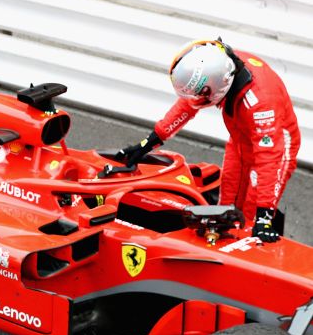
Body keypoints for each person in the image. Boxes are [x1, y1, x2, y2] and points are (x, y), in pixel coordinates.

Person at [116, 39, 300, 242]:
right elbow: (187, 106)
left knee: (251, 217)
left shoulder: (260, 104)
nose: (196, 99)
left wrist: (264, 216)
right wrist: (148, 143)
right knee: (225, 206)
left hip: (274, 147)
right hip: (241, 138)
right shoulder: (218, 65)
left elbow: (269, 158)